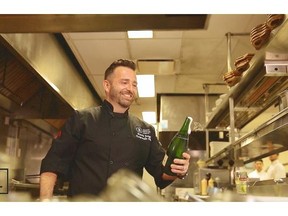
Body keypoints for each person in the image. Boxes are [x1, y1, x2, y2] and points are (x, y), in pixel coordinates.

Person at [39, 59, 190, 200]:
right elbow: (53, 164)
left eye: (134, 84)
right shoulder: (81, 120)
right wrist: (45, 204)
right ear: (107, 85)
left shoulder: (145, 131)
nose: (130, 89)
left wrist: (178, 170)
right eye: (124, 82)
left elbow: (162, 176)